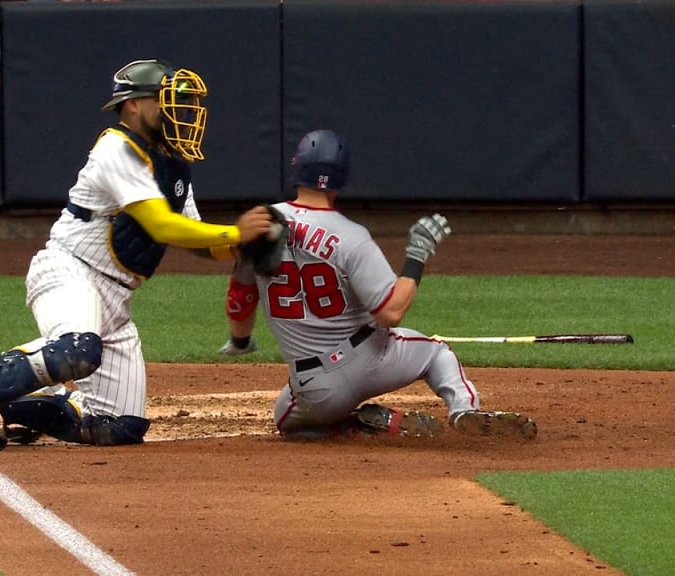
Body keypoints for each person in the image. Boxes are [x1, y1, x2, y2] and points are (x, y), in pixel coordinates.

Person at [0, 58, 274, 450]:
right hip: (70, 272)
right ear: (133, 106)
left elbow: (193, 237)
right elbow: (159, 225)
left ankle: (21, 407)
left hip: (116, 299)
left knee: (119, 427)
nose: (177, 110)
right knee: (77, 350)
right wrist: (234, 230)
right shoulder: (116, 149)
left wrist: (241, 245)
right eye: (163, 99)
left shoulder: (173, 164)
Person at [218, 129, 537, 440]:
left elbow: (241, 298)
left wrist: (241, 340)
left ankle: (360, 422)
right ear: (342, 178)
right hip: (370, 361)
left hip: (313, 387)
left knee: (287, 419)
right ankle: (464, 409)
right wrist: (417, 255)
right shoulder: (351, 236)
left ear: (296, 167)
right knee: (436, 353)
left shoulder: (259, 225)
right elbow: (391, 313)